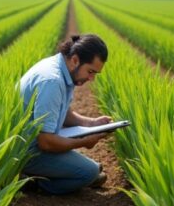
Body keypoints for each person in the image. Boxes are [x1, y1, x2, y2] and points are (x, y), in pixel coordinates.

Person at [19, 33, 112, 195]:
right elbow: (46, 142)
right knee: (89, 172)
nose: (92, 79)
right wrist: (84, 142)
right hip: (26, 152)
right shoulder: (52, 82)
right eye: (90, 72)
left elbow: (65, 113)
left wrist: (92, 123)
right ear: (75, 60)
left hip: (35, 140)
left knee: (95, 168)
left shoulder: (62, 68)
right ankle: (34, 182)